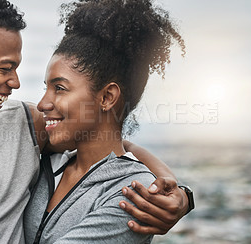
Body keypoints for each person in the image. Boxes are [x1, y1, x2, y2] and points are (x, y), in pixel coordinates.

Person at [0, 0, 192, 243]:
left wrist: (174, 190)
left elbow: (102, 136)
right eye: (5, 68)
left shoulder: (22, 125)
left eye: (59, 88)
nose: (15, 83)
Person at [23, 0, 193, 243]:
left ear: (107, 97)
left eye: (59, 88)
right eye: (46, 88)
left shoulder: (134, 194)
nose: (43, 103)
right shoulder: (42, 164)